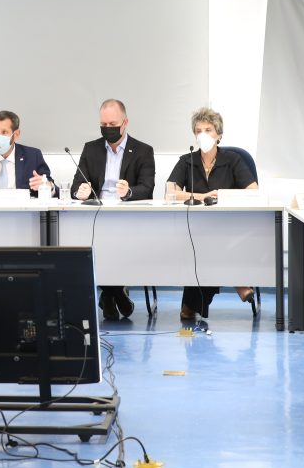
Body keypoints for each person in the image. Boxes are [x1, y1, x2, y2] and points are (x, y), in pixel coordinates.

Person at [166, 107, 258, 320]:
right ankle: (238, 280)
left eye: (208, 130)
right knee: (204, 241)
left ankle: (192, 304)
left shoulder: (233, 160)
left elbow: (253, 191)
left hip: (229, 227)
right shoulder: (187, 160)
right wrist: (202, 196)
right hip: (196, 228)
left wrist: (223, 196)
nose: (203, 135)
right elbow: (170, 192)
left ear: (219, 135)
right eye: (199, 131)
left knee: (212, 242)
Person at [72, 99, 155, 320]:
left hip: (127, 217)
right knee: (88, 242)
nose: (108, 129)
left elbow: (147, 188)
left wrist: (128, 192)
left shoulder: (143, 151)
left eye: (113, 124)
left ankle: (109, 295)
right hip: (95, 215)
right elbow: (76, 185)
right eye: (103, 124)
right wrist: (81, 192)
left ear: (125, 122)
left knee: (115, 242)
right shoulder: (91, 148)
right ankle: (116, 294)